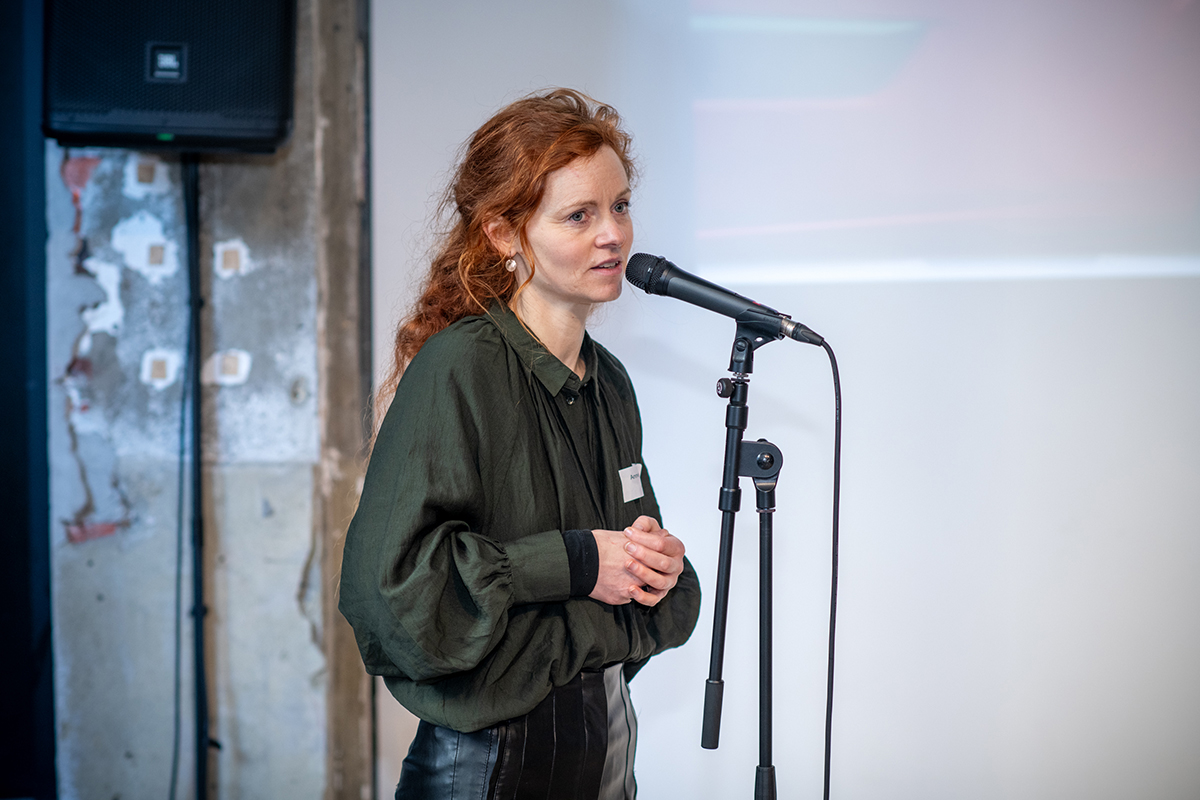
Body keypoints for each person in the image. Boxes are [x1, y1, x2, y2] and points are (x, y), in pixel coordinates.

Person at [338, 88, 701, 800]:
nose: (613, 235)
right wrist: (576, 562)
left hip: (607, 749)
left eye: (621, 206)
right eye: (579, 215)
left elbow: (619, 571)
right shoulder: (460, 366)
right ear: (505, 234)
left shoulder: (610, 382)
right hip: (490, 767)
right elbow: (393, 587)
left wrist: (654, 566)